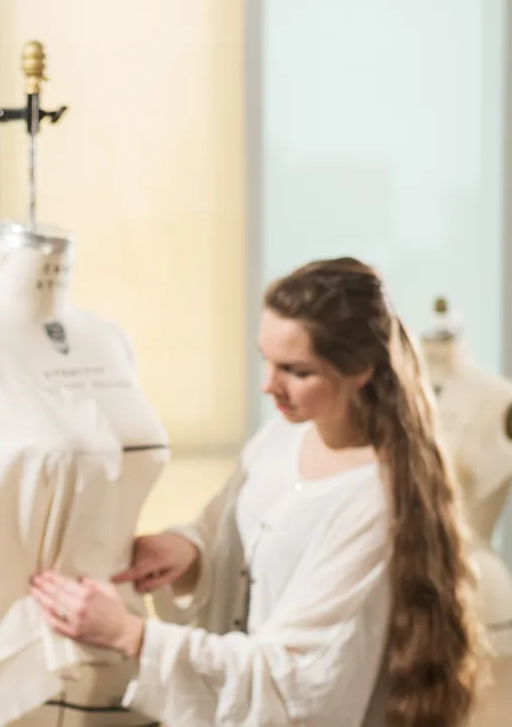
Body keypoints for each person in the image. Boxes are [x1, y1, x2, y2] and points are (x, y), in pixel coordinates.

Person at [29, 257, 487, 727]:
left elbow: (293, 681)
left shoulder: (372, 503)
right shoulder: (284, 436)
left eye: (296, 370)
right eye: (265, 360)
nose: (270, 385)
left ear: (361, 371)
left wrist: (133, 636)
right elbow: (227, 527)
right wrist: (188, 550)